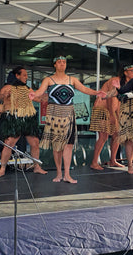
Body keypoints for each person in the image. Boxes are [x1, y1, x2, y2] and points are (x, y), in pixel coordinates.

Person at [29, 56, 106, 184]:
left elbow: (85, 89)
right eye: (59, 62)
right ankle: (59, 173)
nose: (62, 64)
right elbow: (40, 92)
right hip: (54, 115)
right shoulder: (49, 80)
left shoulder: (72, 79)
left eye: (64, 62)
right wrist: (34, 95)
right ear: (54, 64)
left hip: (69, 115)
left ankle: (67, 175)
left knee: (68, 145)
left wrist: (96, 93)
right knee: (57, 146)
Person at [0, 66, 47, 177]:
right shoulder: (8, 87)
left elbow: (37, 98)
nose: (26, 77)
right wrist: (5, 95)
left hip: (28, 118)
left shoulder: (27, 89)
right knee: (9, 144)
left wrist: (44, 96)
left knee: (35, 143)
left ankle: (37, 166)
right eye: (24, 75)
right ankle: (2, 169)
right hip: (14, 117)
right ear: (17, 76)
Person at [89, 76, 123, 170]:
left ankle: (113, 160)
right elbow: (110, 99)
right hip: (102, 109)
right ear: (125, 72)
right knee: (103, 136)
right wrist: (112, 115)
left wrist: (118, 117)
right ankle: (94, 162)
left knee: (117, 134)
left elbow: (118, 102)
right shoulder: (115, 80)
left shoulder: (124, 84)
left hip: (112, 110)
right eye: (131, 71)